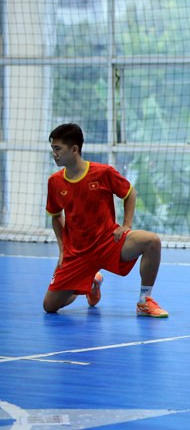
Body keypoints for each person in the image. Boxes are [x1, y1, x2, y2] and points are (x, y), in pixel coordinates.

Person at [43, 123, 168, 317]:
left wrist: (126, 226)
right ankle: (91, 282)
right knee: (50, 306)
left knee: (152, 241)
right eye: (53, 149)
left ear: (74, 149)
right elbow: (56, 216)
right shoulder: (55, 182)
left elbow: (129, 193)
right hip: (77, 253)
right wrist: (62, 249)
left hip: (108, 243)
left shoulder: (103, 173)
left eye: (58, 149)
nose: (54, 153)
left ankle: (144, 301)